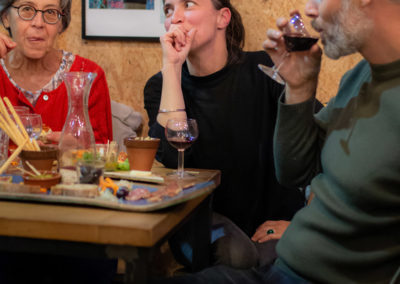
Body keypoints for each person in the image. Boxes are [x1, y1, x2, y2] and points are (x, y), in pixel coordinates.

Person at [154, 0, 400, 282]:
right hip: (282, 268)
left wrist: (294, 223)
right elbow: (296, 170)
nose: (309, 9)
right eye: (169, 10)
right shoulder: (358, 78)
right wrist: (299, 89)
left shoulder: (257, 71)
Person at [144, 0, 314, 270]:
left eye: (187, 4)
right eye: (168, 10)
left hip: (269, 221)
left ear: (222, 18)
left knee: (274, 263)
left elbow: (318, 143)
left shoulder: (265, 69)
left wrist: (307, 221)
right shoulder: (160, 86)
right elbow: (174, 151)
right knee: (237, 256)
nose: (175, 18)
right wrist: (173, 68)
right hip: (197, 218)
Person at [0, 0, 113, 144]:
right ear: (5, 17)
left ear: (61, 23)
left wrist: (78, 154)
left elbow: (104, 156)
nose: (38, 23)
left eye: (50, 12)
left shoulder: (88, 75)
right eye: (27, 9)